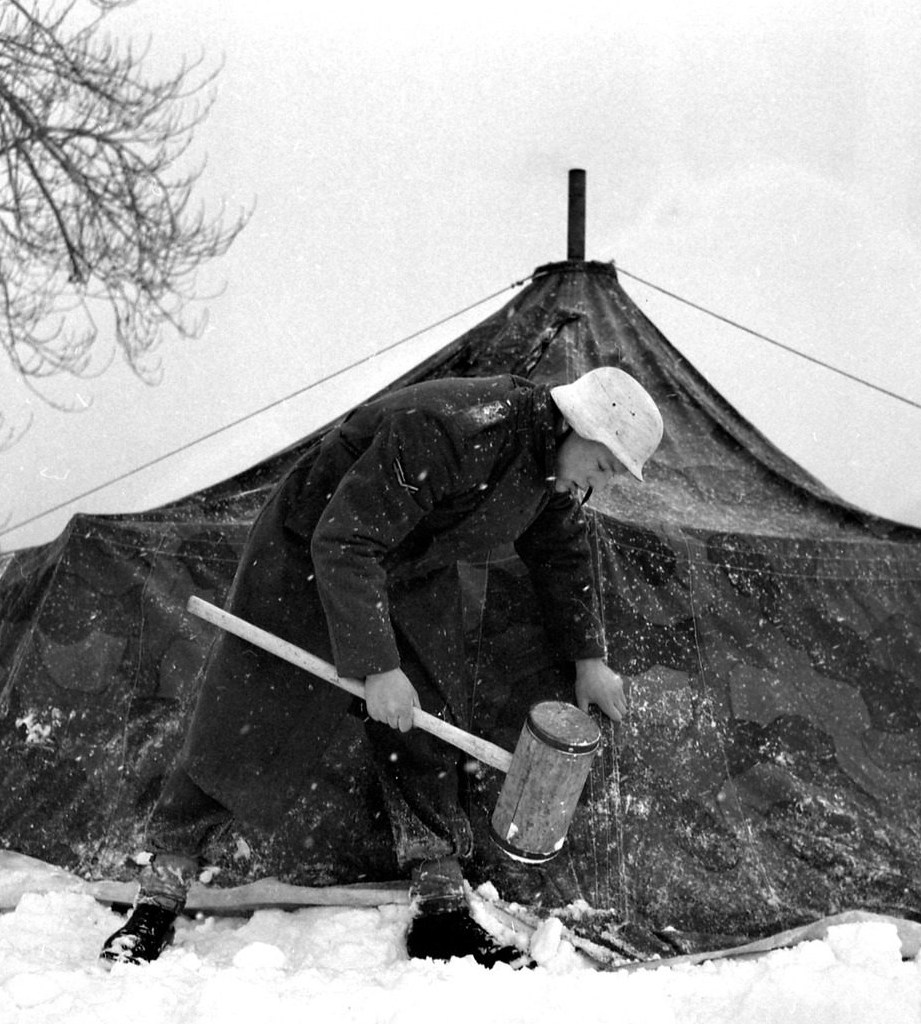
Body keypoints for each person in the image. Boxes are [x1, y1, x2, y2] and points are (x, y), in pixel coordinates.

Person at [100, 367, 665, 966]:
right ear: (574, 425)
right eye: (603, 465)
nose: (599, 482)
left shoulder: (550, 469)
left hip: (410, 569)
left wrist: (589, 659)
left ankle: (439, 910)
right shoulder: (452, 430)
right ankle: (160, 893)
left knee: (426, 721)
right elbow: (344, 540)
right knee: (247, 720)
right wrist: (376, 666)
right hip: (314, 556)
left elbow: (559, 551)